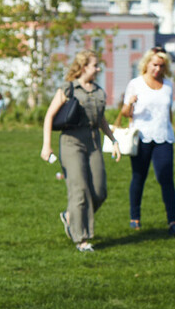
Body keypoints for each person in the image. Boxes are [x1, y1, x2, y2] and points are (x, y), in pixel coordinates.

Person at [41, 50, 121, 253]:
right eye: (95, 65)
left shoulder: (99, 91)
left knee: (100, 191)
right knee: (80, 191)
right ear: (84, 66)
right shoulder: (68, 88)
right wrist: (46, 145)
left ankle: (71, 216)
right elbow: (49, 116)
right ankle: (81, 239)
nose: (98, 68)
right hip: (72, 143)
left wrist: (113, 139)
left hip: (93, 143)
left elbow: (101, 119)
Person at [115, 46, 175, 237]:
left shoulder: (168, 85)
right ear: (147, 64)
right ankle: (134, 217)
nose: (157, 69)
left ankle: (173, 221)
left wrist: (170, 127)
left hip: (164, 137)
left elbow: (168, 111)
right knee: (139, 176)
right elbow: (125, 113)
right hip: (142, 137)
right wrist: (130, 104)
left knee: (165, 178)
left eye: (161, 66)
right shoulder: (135, 84)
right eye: (154, 65)